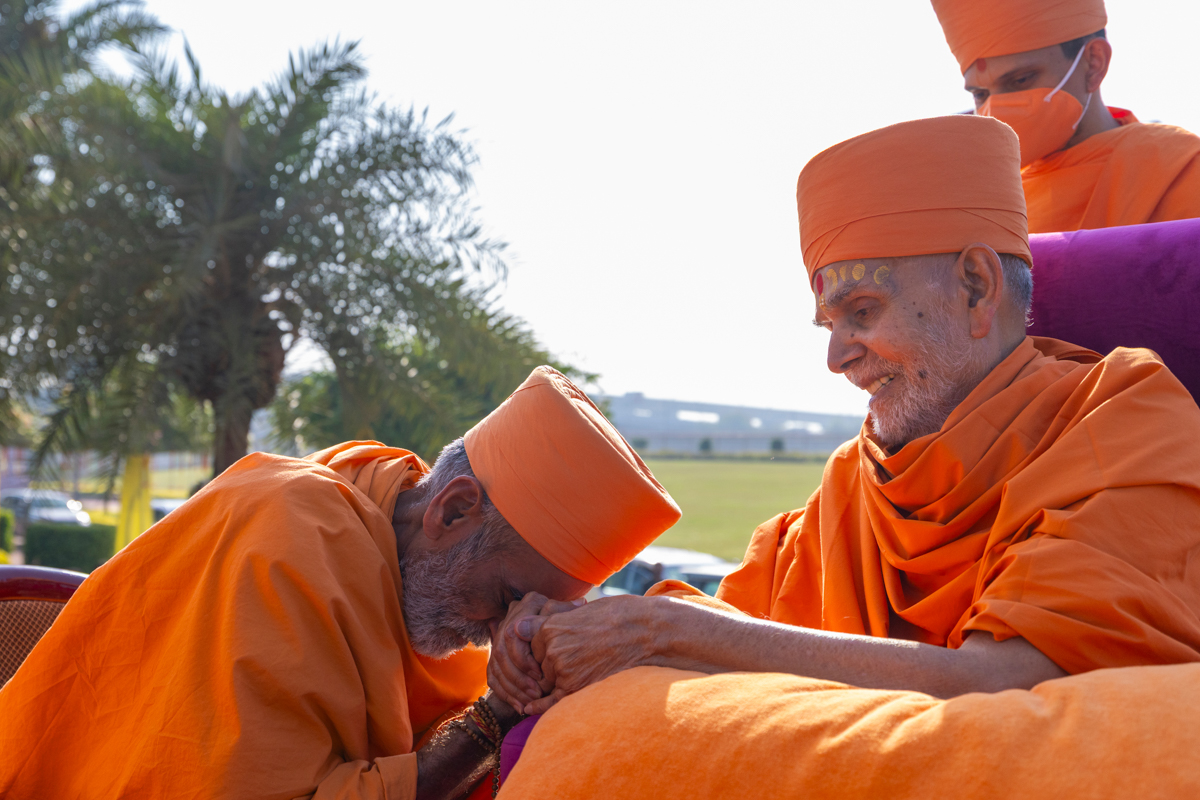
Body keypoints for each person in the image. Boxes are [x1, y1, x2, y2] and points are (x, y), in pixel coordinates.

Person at [487, 115, 1200, 721]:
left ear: (978, 287)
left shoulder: (1125, 416)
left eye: (862, 313)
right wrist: (567, 631)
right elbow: (743, 623)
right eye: (828, 323)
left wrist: (666, 630)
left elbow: (1008, 685)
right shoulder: (854, 482)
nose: (836, 358)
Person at [0, 366, 681, 800]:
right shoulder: (291, 533)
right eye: (506, 598)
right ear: (453, 509)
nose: (502, 631)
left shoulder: (415, 572)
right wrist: (494, 716)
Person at [930, 0, 1200, 233]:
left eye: (1021, 79)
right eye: (980, 94)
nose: (996, 109)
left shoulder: (1179, 168)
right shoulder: (982, 204)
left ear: (1094, 63)